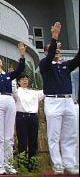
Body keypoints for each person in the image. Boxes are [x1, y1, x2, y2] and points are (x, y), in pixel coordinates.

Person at [39, 22, 79, 175]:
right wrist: (54, 37)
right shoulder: (44, 64)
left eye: (58, 50)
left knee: (70, 134)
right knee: (54, 135)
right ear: (46, 52)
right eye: (53, 50)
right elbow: (49, 57)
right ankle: (58, 165)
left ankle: (70, 163)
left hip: (68, 100)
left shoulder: (65, 65)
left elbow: (76, 60)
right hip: (53, 101)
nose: (57, 51)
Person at [0, 39, 25, 175]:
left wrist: (22, 55)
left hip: (9, 100)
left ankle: (9, 164)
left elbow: (19, 70)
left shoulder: (8, 75)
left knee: (9, 137)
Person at [12, 74, 43, 166]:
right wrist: (13, 76)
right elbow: (13, 91)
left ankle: (33, 165)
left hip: (33, 117)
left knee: (33, 142)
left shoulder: (33, 92)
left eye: (26, 79)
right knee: (22, 141)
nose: (25, 81)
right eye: (22, 79)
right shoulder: (17, 92)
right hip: (21, 117)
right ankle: (22, 164)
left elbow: (45, 91)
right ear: (18, 82)